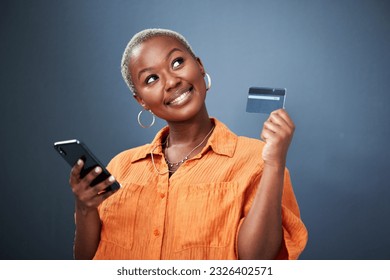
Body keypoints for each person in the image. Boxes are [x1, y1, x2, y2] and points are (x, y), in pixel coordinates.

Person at [69, 28, 308, 260]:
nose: (171, 81)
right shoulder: (120, 167)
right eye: (151, 79)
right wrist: (85, 208)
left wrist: (275, 164)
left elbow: (256, 262)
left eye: (177, 63)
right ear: (141, 100)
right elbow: (88, 261)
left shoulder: (258, 159)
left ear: (200, 66)